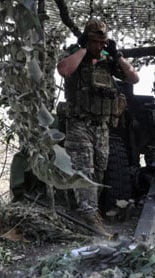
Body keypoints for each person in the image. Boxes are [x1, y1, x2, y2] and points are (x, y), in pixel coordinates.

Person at [57, 18, 139, 229]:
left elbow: (133, 78)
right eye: (95, 42)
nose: (100, 46)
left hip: (101, 127)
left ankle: (86, 214)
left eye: (103, 43)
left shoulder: (107, 61)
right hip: (79, 125)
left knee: (99, 171)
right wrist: (83, 49)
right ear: (87, 40)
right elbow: (65, 70)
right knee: (84, 170)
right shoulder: (76, 55)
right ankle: (91, 220)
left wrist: (117, 55)